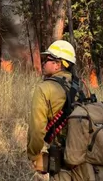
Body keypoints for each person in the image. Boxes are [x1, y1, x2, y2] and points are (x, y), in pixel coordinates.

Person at [27, 39, 87, 180]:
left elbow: (37, 129)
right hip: (86, 160)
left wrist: (34, 155)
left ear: (57, 64)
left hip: (62, 163)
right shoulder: (82, 87)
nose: (43, 62)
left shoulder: (44, 88)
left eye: (47, 59)